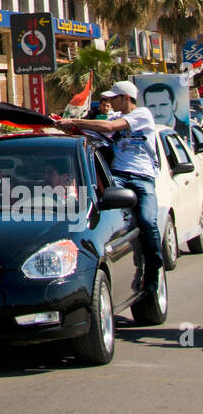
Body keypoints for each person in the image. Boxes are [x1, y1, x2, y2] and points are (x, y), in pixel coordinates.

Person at [57, 80, 163, 286]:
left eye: (113, 98)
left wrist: (75, 121)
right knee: (113, 220)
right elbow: (93, 133)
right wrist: (64, 126)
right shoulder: (115, 117)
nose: (109, 102)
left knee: (148, 221)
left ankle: (154, 270)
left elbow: (109, 126)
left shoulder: (142, 115)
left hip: (142, 178)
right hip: (119, 176)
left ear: (126, 98)